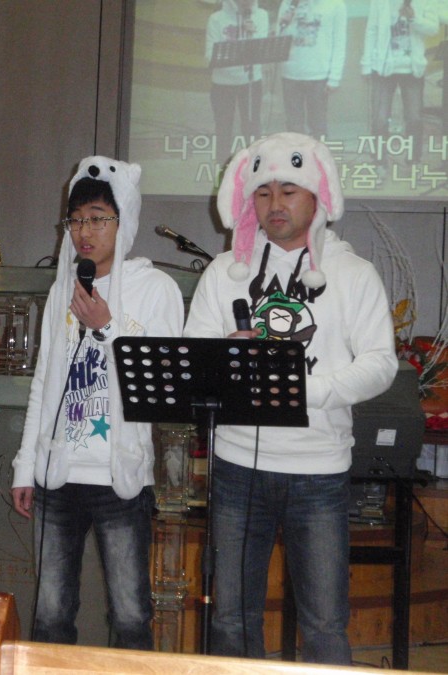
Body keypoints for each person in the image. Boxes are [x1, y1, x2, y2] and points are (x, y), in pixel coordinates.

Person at [184, 132, 398, 664]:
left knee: (324, 625)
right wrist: (226, 357)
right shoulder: (223, 273)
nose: (274, 203)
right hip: (236, 467)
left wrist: (306, 392)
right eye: (263, 192)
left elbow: (381, 363)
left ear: (316, 195)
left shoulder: (353, 273)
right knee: (231, 620)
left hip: (319, 471)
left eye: (288, 190)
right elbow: (195, 361)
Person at [11, 156, 184, 648]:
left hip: (119, 480)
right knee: (50, 615)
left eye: (97, 219)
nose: (85, 232)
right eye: (76, 220)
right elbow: (45, 382)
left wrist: (107, 328)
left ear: (123, 220)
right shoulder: (62, 289)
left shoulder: (156, 289)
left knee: (130, 616)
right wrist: (26, 465)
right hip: (58, 475)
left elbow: (164, 384)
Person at [361, 0, 440, 163]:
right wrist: (366, 65)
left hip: (412, 68)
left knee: (414, 118)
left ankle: (413, 160)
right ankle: (379, 161)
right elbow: (372, 30)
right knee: (380, 118)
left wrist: (413, 19)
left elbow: (433, 29)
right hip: (383, 68)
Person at [206, 0, 270, 160]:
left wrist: (252, 35)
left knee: (252, 129)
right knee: (223, 130)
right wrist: (239, 51)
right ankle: (223, 170)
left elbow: (262, 51)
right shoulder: (216, 19)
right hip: (222, 84)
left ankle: (254, 169)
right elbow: (209, 57)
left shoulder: (261, 16)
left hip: (251, 83)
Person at [276, 0, 347, 139]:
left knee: (318, 125)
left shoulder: (336, 5)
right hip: (291, 73)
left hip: (318, 75)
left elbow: (339, 42)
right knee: (294, 126)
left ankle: (318, 152)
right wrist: (285, 22)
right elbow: (279, 38)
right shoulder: (288, 3)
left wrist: (335, 77)